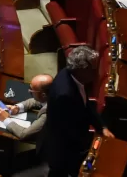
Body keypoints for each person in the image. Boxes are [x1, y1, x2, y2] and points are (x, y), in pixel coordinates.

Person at [43, 46, 114, 177]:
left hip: (69, 140)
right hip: (63, 149)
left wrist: (102, 127)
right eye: (93, 69)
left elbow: (85, 104)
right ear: (82, 70)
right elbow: (70, 131)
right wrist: (92, 147)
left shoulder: (71, 75)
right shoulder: (65, 94)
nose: (97, 72)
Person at [0, 74, 53, 142]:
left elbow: (24, 134)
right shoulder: (52, 94)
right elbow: (36, 101)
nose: (28, 91)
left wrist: (5, 119)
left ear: (43, 95)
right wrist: (17, 108)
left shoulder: (48, 113)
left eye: (31, 91)